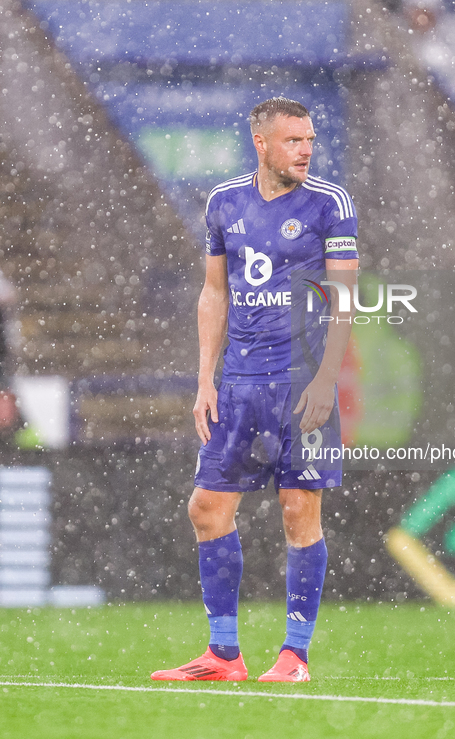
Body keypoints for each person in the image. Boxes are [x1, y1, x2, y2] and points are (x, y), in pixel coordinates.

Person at [151, 97, 358, 683]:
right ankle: (223, 655)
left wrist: (326, 378)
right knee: (207, 507)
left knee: (298, 510)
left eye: (311, 139)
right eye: (294, 140)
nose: (306, 149)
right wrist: (203, 380)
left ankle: (294, 657)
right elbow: (214, 293)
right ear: (261, 144)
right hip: (238, 385)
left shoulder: (330, 203)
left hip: (300, 382)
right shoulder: (224, 203)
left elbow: (342, 298)